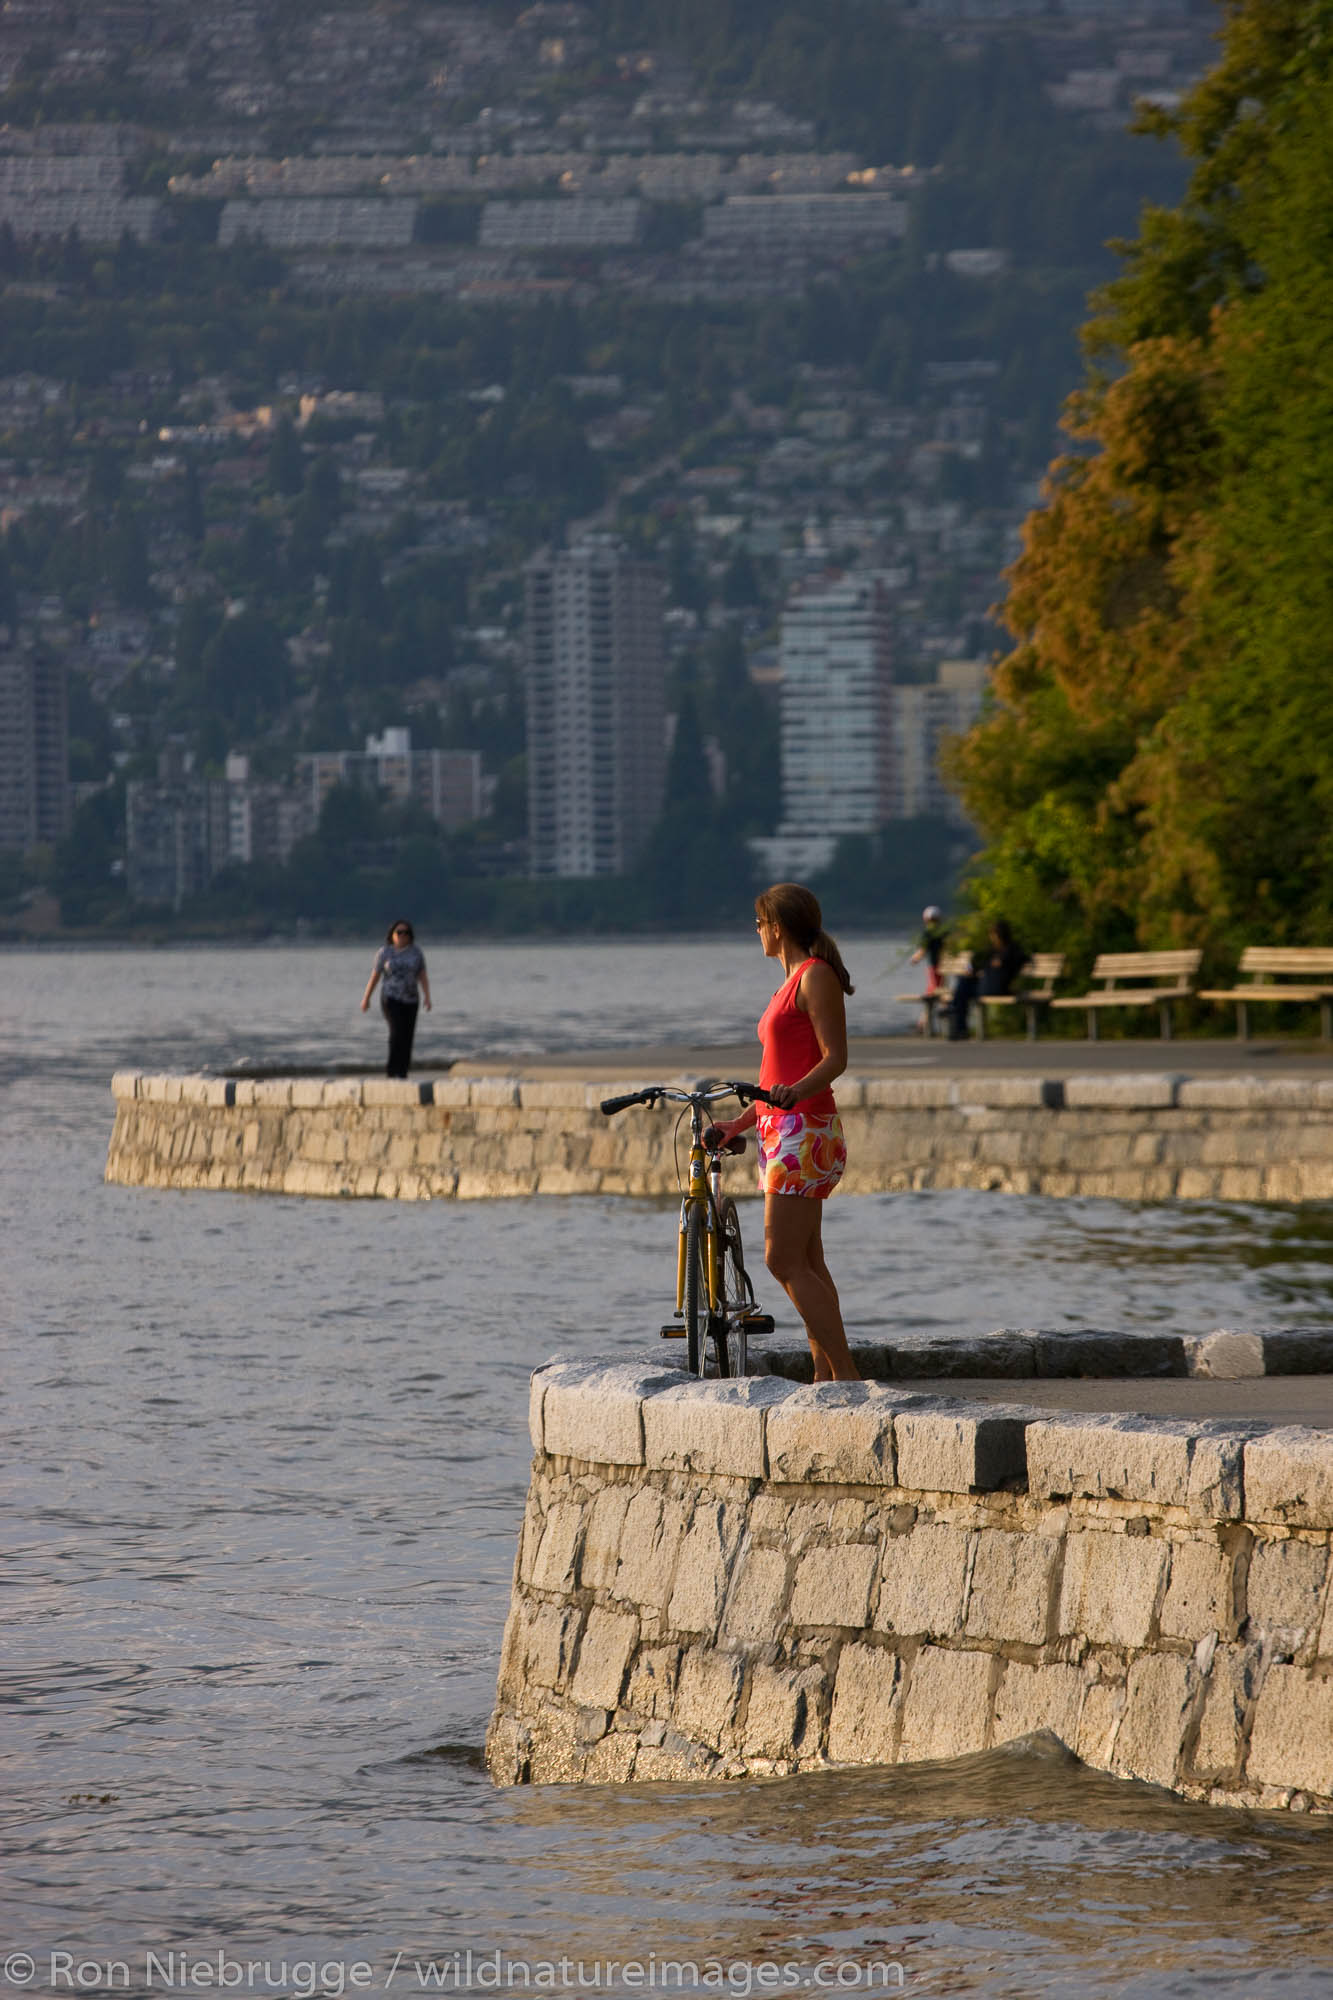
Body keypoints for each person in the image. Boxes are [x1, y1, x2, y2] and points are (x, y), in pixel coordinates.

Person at [714, 882, 860, 1384]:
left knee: (780, 1258)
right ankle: (825, 1373)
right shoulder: (789, 981)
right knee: (808, 1259)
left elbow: (834, 1060)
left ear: (777, 927)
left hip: (806, 1130)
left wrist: (793, 1094)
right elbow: (773, 1074)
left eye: (759, 924)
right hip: (784, 1129)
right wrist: (740, 1122)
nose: (757, 932)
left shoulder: (814, 977)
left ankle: (846, 1375)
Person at [360, 919, 431, 1078]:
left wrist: (427, 997)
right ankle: (392, 1071)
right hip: (391, 998)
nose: (403, 936)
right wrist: (366, 998)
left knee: (408, 1035)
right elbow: (375, 976)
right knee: (396, 1032)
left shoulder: (416, 952)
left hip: (411, 999)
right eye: (399, 932)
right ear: (392, 934)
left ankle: (403, 1072)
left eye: (406, 933)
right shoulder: (384, 952)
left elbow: (422, 975)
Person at [947, 918, 1028, 1040]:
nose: (992, 937)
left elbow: (1022, 959)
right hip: (985, 986)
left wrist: (1002, 962)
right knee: (963, 986)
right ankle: (960, 1028)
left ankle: (959, 1027)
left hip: (999, 987)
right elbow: (976, 961)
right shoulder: (992, 950)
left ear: (999, 935)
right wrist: (970, 970)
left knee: (962, 989)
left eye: (993, 934)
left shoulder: (1012, 949)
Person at [909, 903, 948, 1035]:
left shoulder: (927, 934)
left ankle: (924, 1024)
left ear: (925, 920)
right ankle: (924, 1023)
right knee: (935, 993)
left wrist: (914, 959)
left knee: (935, 994)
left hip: (934, 968)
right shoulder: (943, 932)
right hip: (943, 968)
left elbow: (922, 950)